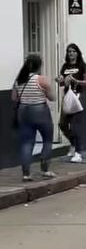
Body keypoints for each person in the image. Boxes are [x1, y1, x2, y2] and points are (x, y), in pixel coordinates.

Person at [13, 53, 56, 182]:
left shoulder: (19, 80)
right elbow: (52, 97)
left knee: (27, 143)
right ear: (39, 66)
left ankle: (26, 174)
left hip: (23, 112)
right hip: (40, 111)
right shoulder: (42, 80)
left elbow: (14, 98)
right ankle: (45, 169)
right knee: (47, 140)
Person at [59, 44, 86, 163]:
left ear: (77, 53)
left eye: (73, 51)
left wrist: (76, 81)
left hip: (78, 96)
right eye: (69, 51)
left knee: (75, 125)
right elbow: (62, 84)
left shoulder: (82, 65)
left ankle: (78, 152)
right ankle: (73, 143)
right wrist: (61, 80)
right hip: (67, 96)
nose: (70, 53)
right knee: (62, 124)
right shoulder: (65, 66)